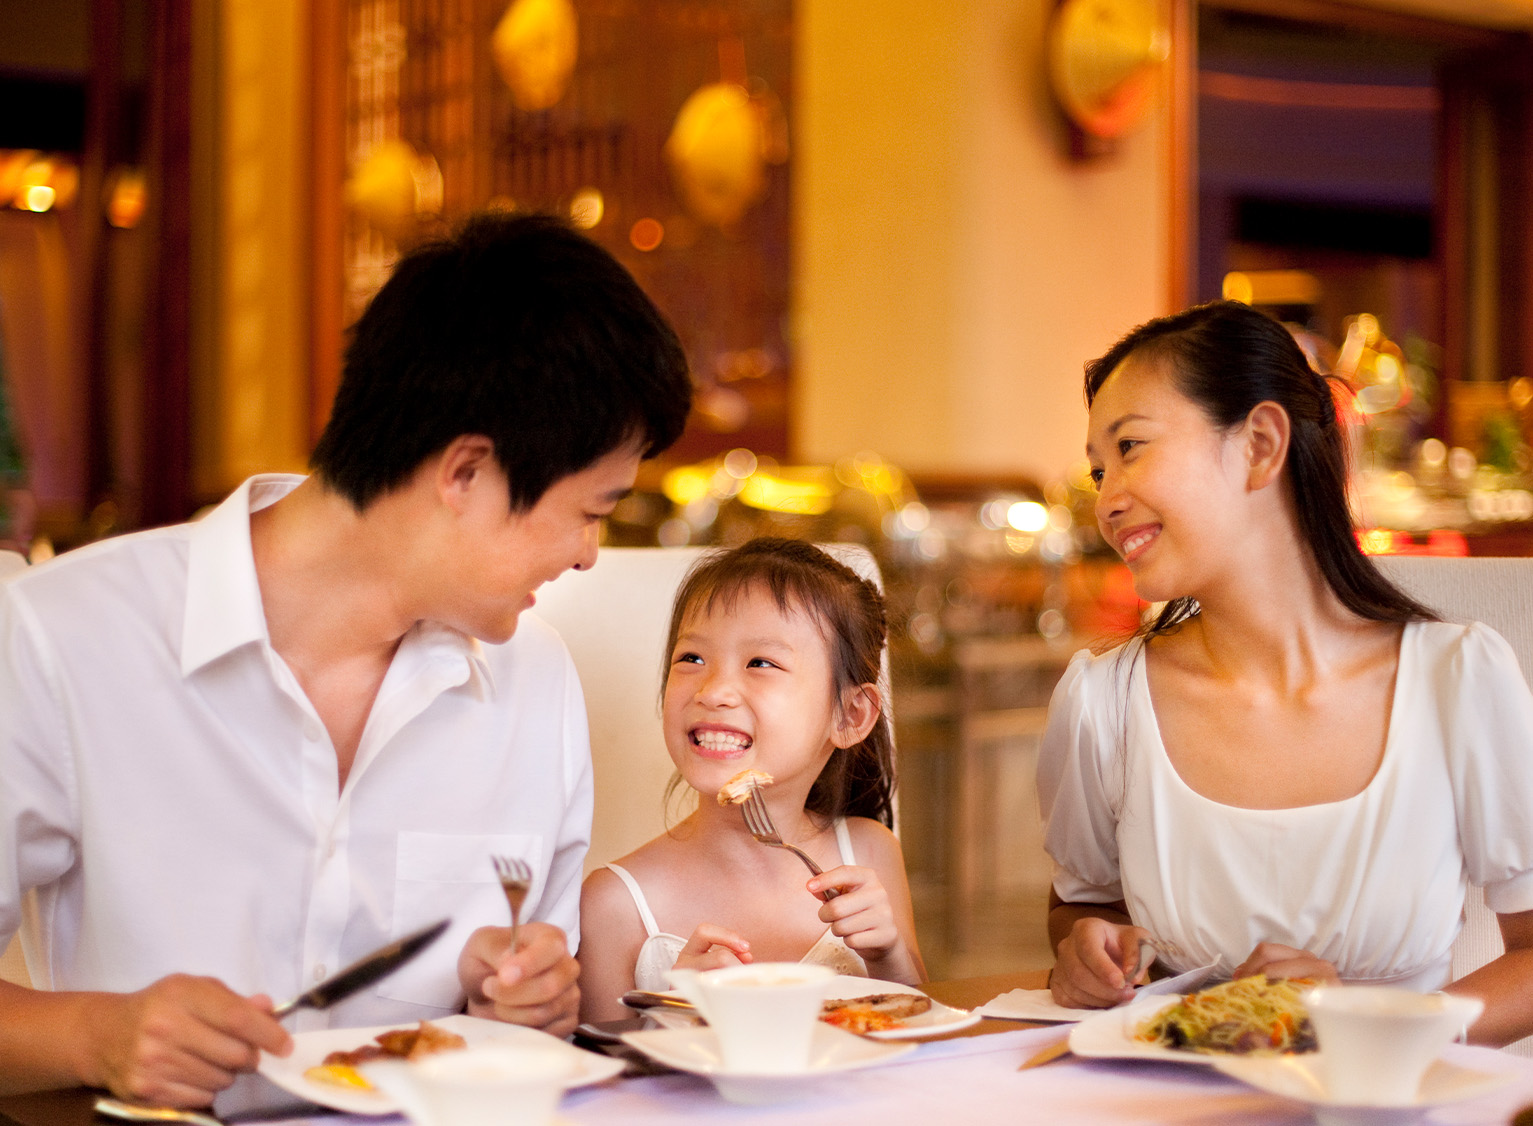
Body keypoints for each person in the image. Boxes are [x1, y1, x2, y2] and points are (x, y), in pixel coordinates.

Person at [0, 212, 692, 1104]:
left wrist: (525, 1001)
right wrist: (96, 1036)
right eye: (592, 511)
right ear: (465, 474)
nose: (590, 554)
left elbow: (533, 1021)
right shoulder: (59, 639)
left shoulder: (536, 683)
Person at [1038, 299, 1533, 1046]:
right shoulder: (1101, 700)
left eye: (1130, 449)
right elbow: (1082, 903)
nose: (1105, 501)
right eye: (1097, 470)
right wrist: (1082, 949)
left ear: (1260, 444)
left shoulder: (1456, 678)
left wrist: (1367, 1027)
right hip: (1165, 1098)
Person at [575, 538, 924, 1022]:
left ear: (850, 714)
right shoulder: (613, 904)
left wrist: (890, 957)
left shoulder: (869, 853)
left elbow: (920, 1026)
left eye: (761, 663)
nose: (714, 690)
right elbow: (599, 1082)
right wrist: (674, 1013)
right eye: (691, 658)